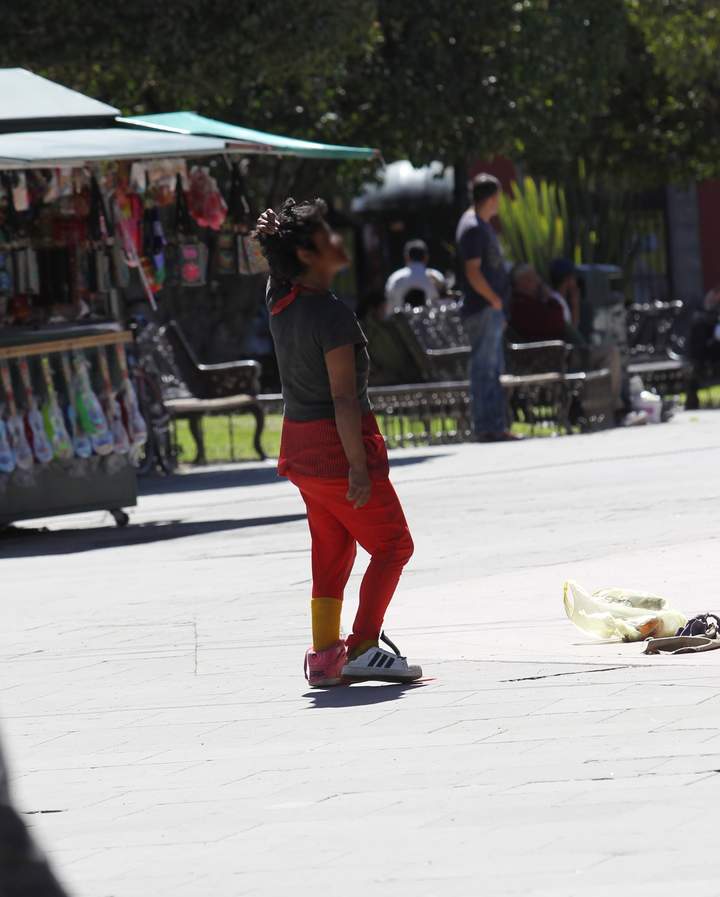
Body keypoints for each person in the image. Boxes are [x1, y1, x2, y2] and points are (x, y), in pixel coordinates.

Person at [255, 199, 422, 688]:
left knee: (332, 552)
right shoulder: (330, 317)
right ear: (307, 255)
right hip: (336, 450)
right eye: (326, 236)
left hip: (300, 451)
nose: (336, 242)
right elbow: (344, 398)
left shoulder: (280, 302)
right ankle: (365, 646)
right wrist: (357, 466)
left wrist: (271, 240)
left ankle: (326, 655)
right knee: (393, 545)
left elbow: (275, 271)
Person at [509, 264, 625, 417]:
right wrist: (550, 298)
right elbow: (557, 322)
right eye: (534, 278)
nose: (538, 282)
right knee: (609, 354)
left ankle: (605, 408)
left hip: (559, 354)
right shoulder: (523, 306)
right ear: (524, 282)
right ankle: (614, 409)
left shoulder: (532, 302)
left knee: (608, 354)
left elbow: (567, 325)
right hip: (554, 358)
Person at [455, 173, 517, 442]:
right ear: (491, 197)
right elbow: (473, 271)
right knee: (484, 368)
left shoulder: (481, 225)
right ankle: (486, 427)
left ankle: (495, 425)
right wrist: (493, 299)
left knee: (493, 368)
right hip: (482, 308)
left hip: (491, 308)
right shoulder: (472, 227)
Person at [384, 239, 445, 312]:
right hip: (432, 322)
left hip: (402, 322)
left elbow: (389, 309)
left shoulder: (395, 279)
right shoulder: (436, 277)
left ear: (406, 257)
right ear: (426, 257)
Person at [686, 285, 720, 409]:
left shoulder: (702, 314)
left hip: (700, 357)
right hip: (706, 356)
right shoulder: (703, 317)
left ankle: (692, 400)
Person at [549, 257, 582, 327]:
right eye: (574, 277)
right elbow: (571, 334)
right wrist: (575, 306)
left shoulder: (555, 299)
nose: (575, 282)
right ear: (567, 279)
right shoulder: (559, 303)